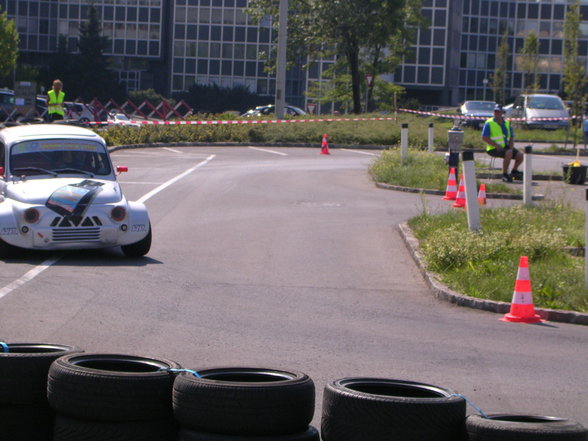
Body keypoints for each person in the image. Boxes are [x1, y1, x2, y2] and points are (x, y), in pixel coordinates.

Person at [481, 104, 524, 183]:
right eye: (495, 111)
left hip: (505, 147)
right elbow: (484, 137)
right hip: (492, 148)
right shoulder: (489, 123)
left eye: (498, 111)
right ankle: (504, 174)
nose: (496, 113)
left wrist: (511, 147)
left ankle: (514, 171)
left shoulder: (507, 123)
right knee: (508, 153)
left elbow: (511, 137)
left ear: (502, 113)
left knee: (520, 155)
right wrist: (496, 145)